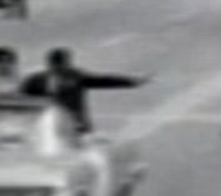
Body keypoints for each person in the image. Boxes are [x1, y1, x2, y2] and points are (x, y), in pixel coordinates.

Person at [19, 48, 150, 135]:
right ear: (50, 64)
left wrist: (131, 82)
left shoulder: (76, 76)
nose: (61, 68)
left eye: (64, 64)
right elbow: (21, 101)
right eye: (57, 65)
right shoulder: (35, 81)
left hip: (78, 126)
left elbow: (104, 80)